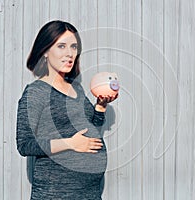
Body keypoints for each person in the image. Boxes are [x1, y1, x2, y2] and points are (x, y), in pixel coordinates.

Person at [16, 20, 118, 200]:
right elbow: (25, 145)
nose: (69, 53)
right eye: (61, 46)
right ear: (45, 51)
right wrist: (70, 144)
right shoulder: (36, 92)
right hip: (56, 193)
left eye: (74, 47)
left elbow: (90, 128)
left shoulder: (76, 89)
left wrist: (100, 107)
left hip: (90, 193)